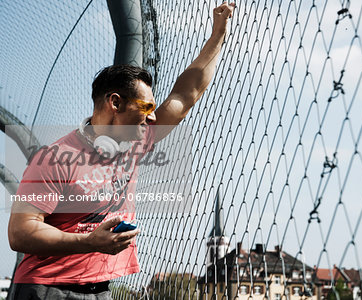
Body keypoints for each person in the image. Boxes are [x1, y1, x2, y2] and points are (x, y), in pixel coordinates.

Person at [8, 2, 235, 299]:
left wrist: (218, 34)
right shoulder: (54, 157)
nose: (153, 117)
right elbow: (20, 232)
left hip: (100, 289)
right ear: (115, 103)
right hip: (45, 289)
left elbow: (185, 95)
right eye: (146, 107)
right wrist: (90, 242)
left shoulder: (135, 141)